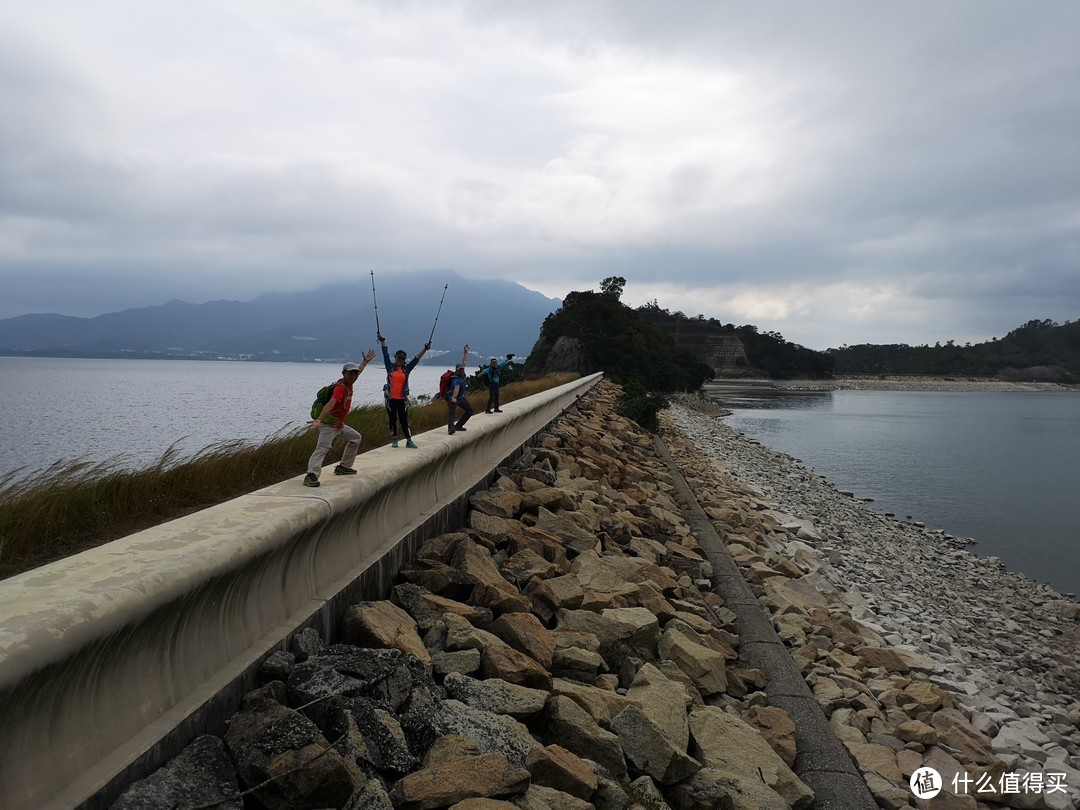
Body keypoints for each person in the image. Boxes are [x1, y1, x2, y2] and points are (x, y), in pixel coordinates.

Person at [304, 349, 377, 487]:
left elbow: (358, 372)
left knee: (356, 438)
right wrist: (319, 420)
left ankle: (343, 467)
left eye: (355, 374)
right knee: (322, 448)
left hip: (339, 424)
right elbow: (331, 404)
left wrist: (364, 363)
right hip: (329, 425)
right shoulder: (340, 388)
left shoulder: (350, 383)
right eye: (350, 373)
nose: (354, 376)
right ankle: (311, 475)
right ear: (344, 374)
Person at [379, 333, 430, 448]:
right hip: (390, 399)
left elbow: (417, 359)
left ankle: (409, 440)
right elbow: (385, 353)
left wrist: (425, 349)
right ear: (395, 358)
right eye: (399, 358)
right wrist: (383, 341)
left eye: (402, 359)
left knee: (403, 420)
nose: (400, 360)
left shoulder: (406, 369)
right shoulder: (390, 367)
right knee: (392, 420)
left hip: (402, 399)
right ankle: (394, 439)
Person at [446, 344, 474, 435]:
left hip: (461, 397)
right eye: (460, 370)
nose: (462, 371)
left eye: (462, 369)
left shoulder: (462, 374)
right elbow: (456, 388)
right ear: (457, 371)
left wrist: (466, 352)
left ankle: (459, 425)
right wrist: (454, 397)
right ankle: (451, 429)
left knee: (469, 411)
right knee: (452, 414)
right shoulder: (456, 379)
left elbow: (464, 361)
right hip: (453, 398)